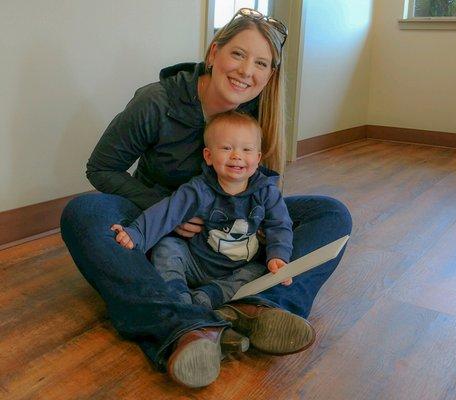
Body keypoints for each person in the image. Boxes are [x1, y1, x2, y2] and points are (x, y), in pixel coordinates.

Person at [60, 8, 352, 388]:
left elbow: (263, 191)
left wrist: (260, 226)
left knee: (331, 215)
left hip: (226, 228)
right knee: (82, 213)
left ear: (270, 75)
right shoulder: (156, 102)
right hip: (159, 222)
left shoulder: (257, 111)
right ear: (213, 53)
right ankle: (183, 325)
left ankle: (259, 307)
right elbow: (101, 169)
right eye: (238, 54)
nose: (247, 71)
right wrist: (165, 209)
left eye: (261, 63)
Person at [111, 110, 294, 311]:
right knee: (167, 246)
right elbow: (167, 212)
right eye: (226, 148)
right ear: (208, 155)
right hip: (196, 263)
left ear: (258, 158)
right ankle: (177, 293)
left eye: (247, 150)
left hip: (239, 269)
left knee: (260, 271)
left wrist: (278, 255)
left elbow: (280, 224)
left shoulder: (266, 191)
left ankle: (206, 298)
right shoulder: (199, 189)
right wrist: (137, 232)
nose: (236, 156)